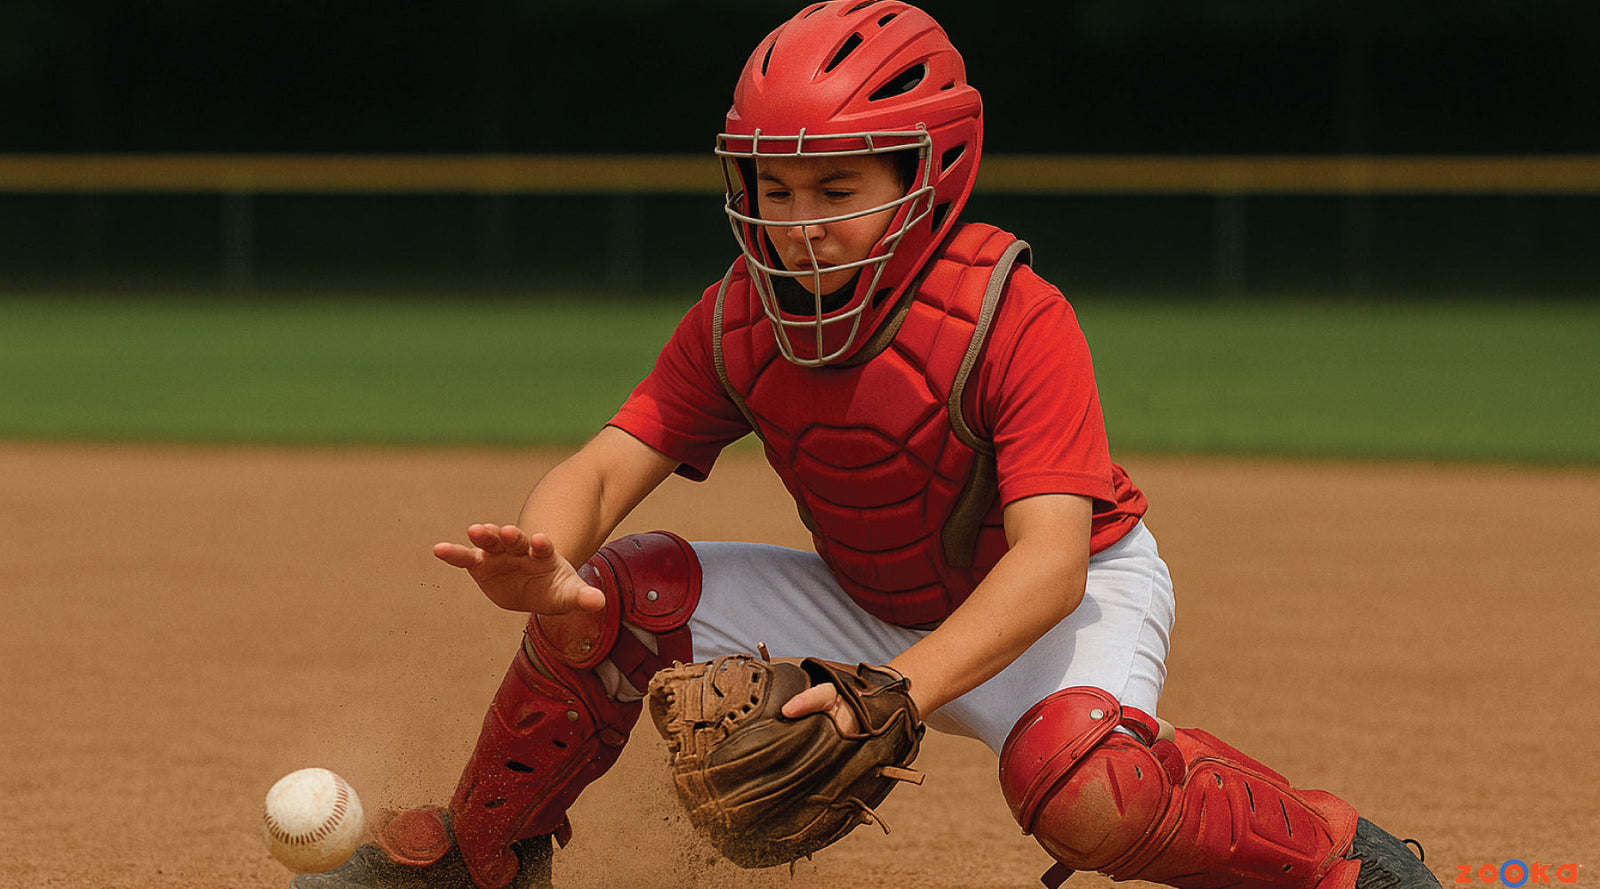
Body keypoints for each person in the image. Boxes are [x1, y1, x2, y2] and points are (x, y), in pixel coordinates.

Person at [295, 4, 1444, 889]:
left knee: (1085, 790)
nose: (797, 223)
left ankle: (1333, 854)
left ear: (927, 173)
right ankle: (479, 855)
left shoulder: (1009, 311)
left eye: (836, 187)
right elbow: (608, 459)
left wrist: (893, 692)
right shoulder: (742, 316)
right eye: (774, 186)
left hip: (1063, 595)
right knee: (619, 596)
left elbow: (1047, 561)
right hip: (867, 603)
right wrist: (548, 560)